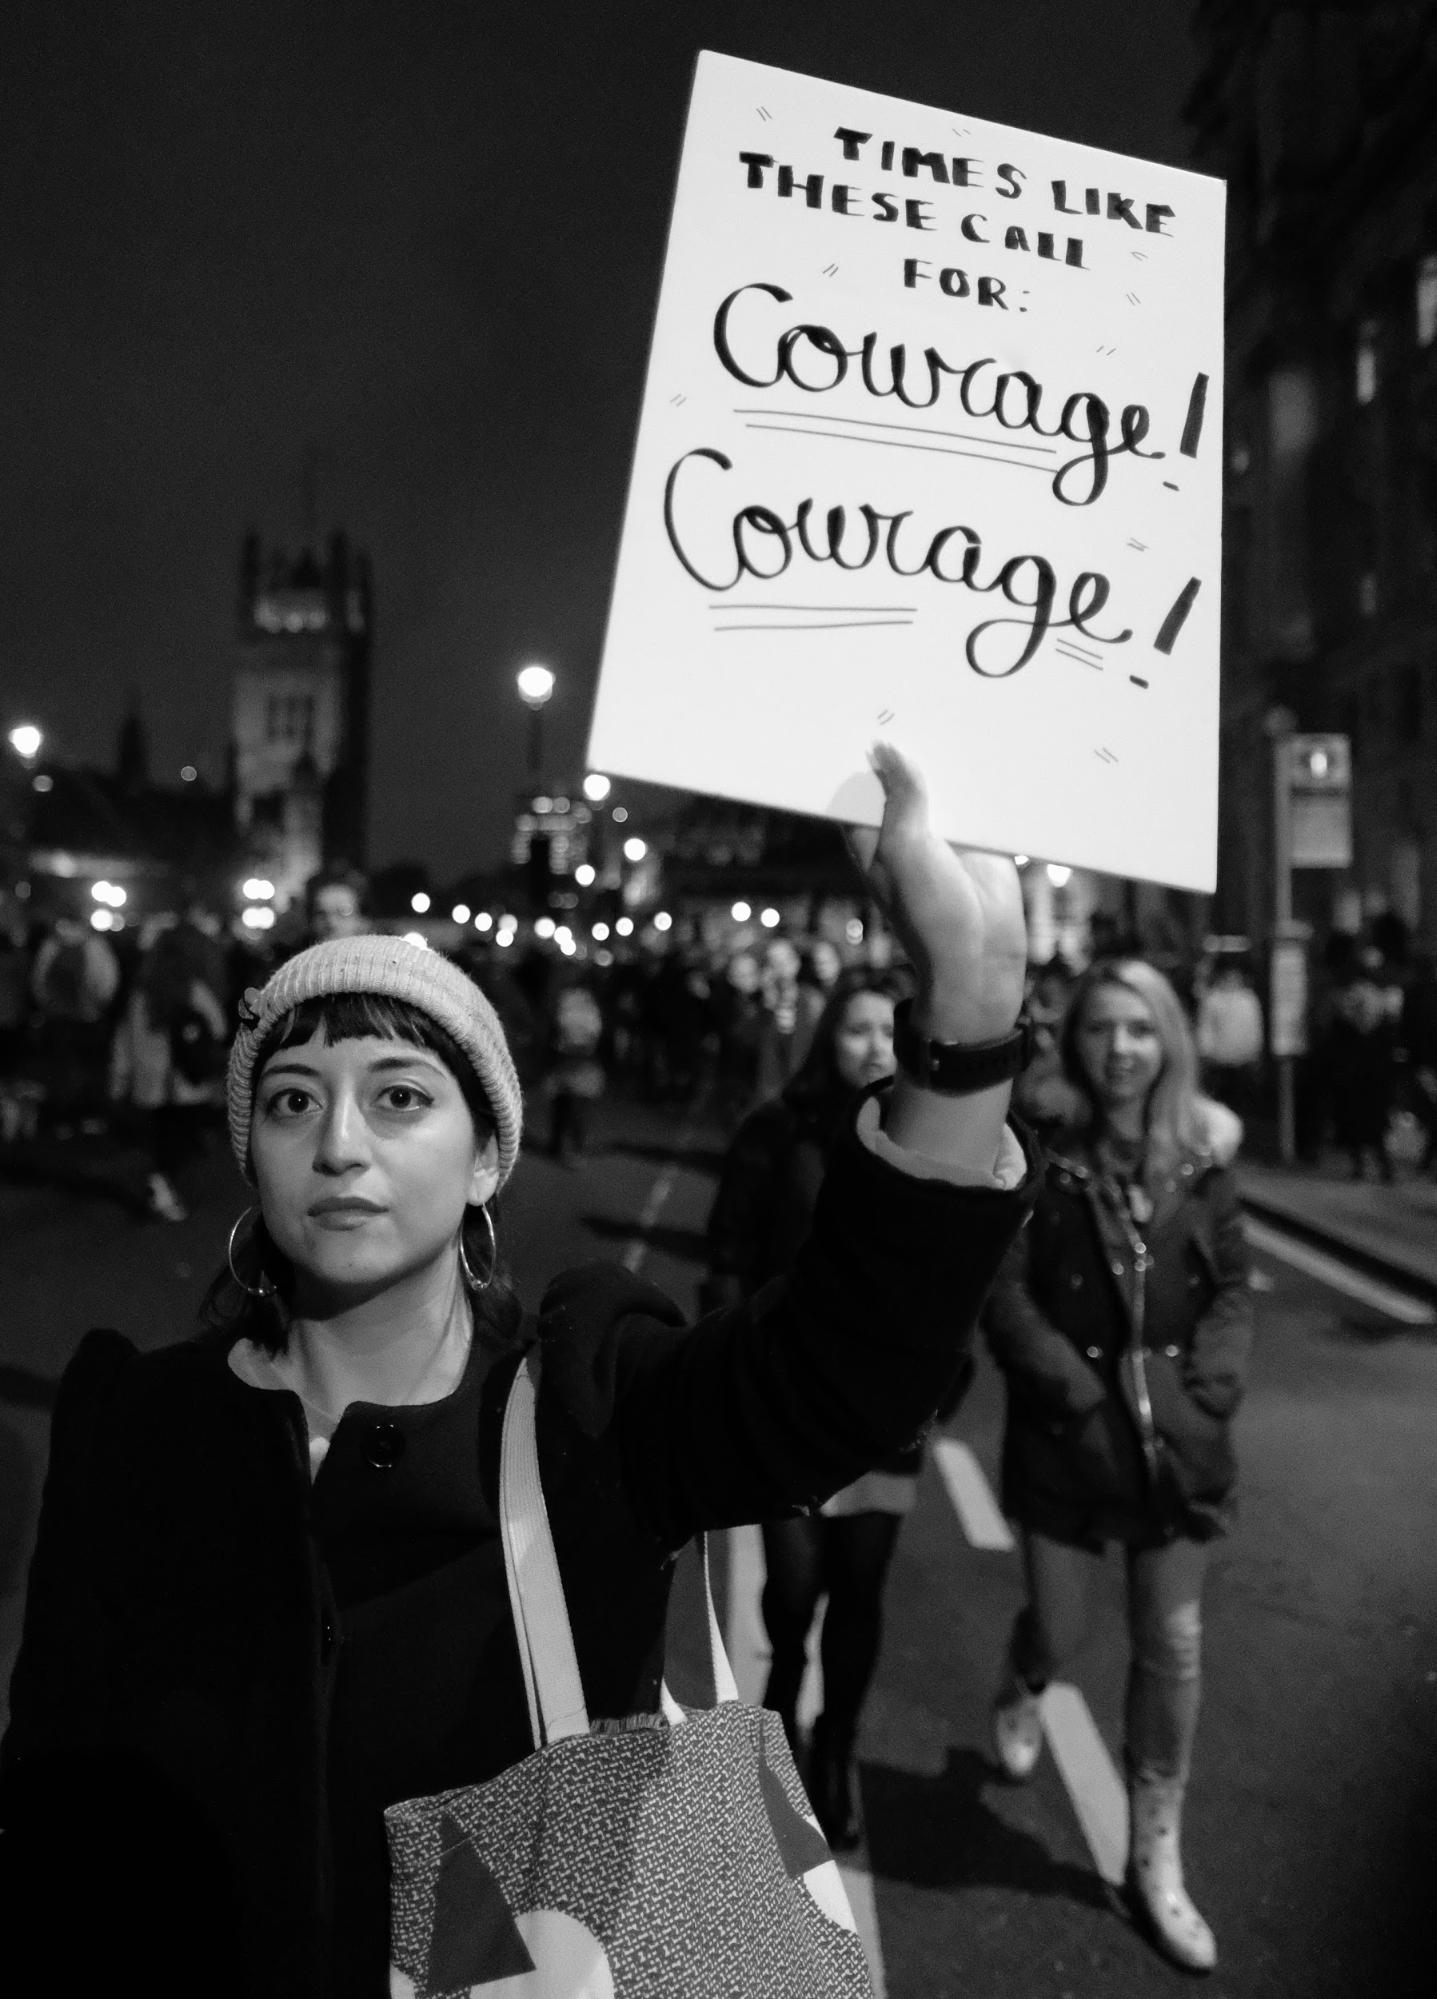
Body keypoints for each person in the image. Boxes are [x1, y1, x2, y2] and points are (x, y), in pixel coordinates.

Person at [0, 744, 1038, 1998]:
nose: (338, 1143)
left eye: (397, 1097)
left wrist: (970, 1016)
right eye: (289, 1101)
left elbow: (842, 1376)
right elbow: (54, 1794)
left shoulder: (583, 1404)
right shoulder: (137, 1420)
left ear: (489, 1156)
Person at [983, 957, 1252, 1976]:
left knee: (1171, 1645)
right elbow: (1004, 1290)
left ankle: (1156, 1857)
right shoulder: (1041, 1152)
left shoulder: (1205, 1154)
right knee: (1061, 1623)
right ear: (1075, 1041)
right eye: (1102, 1028)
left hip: (1180, 1451)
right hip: (1069, 1437)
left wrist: (1210, 1392)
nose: (1122, 1048)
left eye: (1141, 1028)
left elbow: (1231, 1289)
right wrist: (1071, 1388)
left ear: (1170, 1038)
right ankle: (1023, 1677)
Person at [704, 966, 942, 1850]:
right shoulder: (776, 1129)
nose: (874, 1046)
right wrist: (728, 1366)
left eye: (890, 1031)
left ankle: (837, 1743)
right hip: (788, 1398)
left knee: (859, 1588)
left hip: (886, 1410)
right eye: (855, 1030)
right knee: (793, 1587)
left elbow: (958, 1281)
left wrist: (936, 1379)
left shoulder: (929, 1143)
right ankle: (779, 1722)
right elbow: (727, 1249)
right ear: (824, 1037)